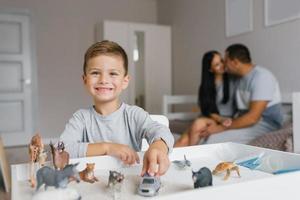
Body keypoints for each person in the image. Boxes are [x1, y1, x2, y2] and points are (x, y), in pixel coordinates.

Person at [60, 40, 174, 177]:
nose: (103, 80)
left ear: (125, 81)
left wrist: (158, 147)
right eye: (95, 72)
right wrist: (108, 148)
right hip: (93, 181)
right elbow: (62, 150)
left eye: (113, 74)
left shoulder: (134, 115)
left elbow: (161, 131)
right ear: (85, 80)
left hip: (129, 178)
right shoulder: (81, 118)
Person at [202, 44, 283, 144]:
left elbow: (253, 118)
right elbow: (216, 94)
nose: (224, 66)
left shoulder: (262, 77)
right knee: (205, 136)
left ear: (235, 62)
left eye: (225, 61)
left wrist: (221, 128)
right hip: (244, 121)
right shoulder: (239, 78)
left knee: (214, 140)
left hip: (265, 124)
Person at [175, 51, 236, 147]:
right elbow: (207, 110)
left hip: (225, 118)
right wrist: (221, 119)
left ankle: (191, 155)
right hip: (211, 117)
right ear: (210, 69)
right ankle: (163, 160)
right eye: (217, 65)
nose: (222, 65)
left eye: (221, 61)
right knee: (182, 141)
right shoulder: (206, 86)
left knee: (198, 124)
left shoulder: (233, 80)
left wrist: (224, 120)